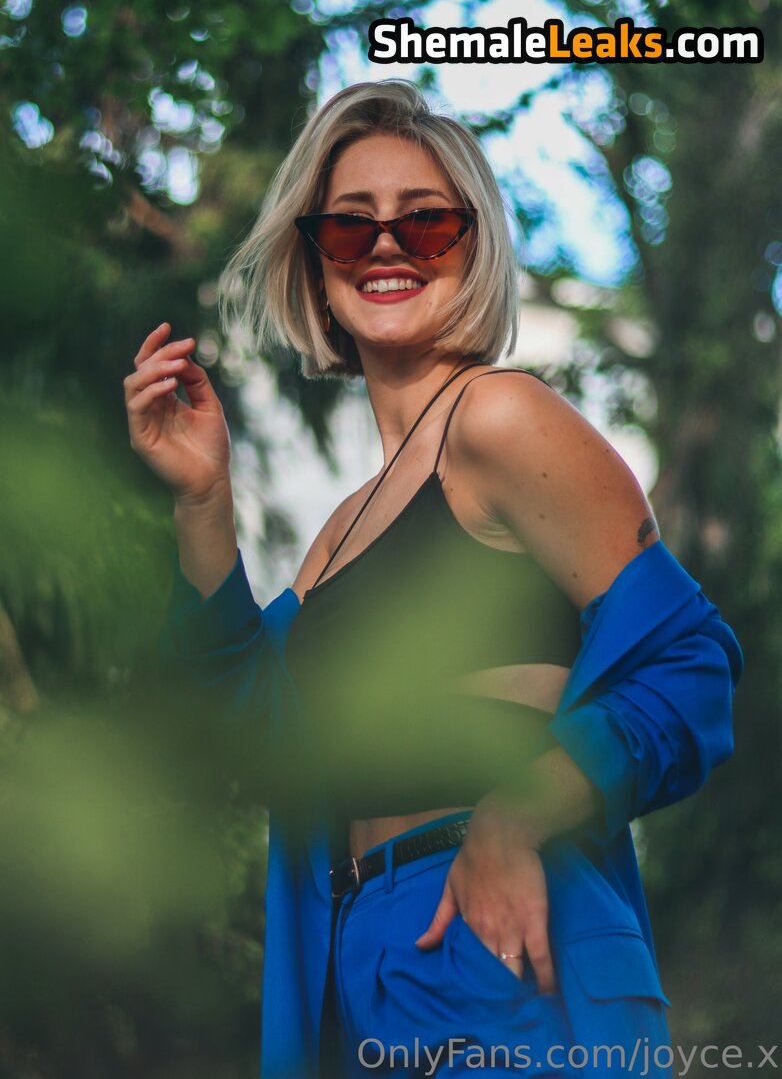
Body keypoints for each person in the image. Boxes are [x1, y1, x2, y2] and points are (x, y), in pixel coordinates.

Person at [126, 81, 743, 1078]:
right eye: (349, 225)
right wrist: (204, 499)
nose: (386, 247)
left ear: (474, 244)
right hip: (358, 958)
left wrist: (515, 815)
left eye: (424, 221)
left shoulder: (499, 418)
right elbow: (244, 733)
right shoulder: (343, 528)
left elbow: (692, 665)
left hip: (491, 933)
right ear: (313, 259)